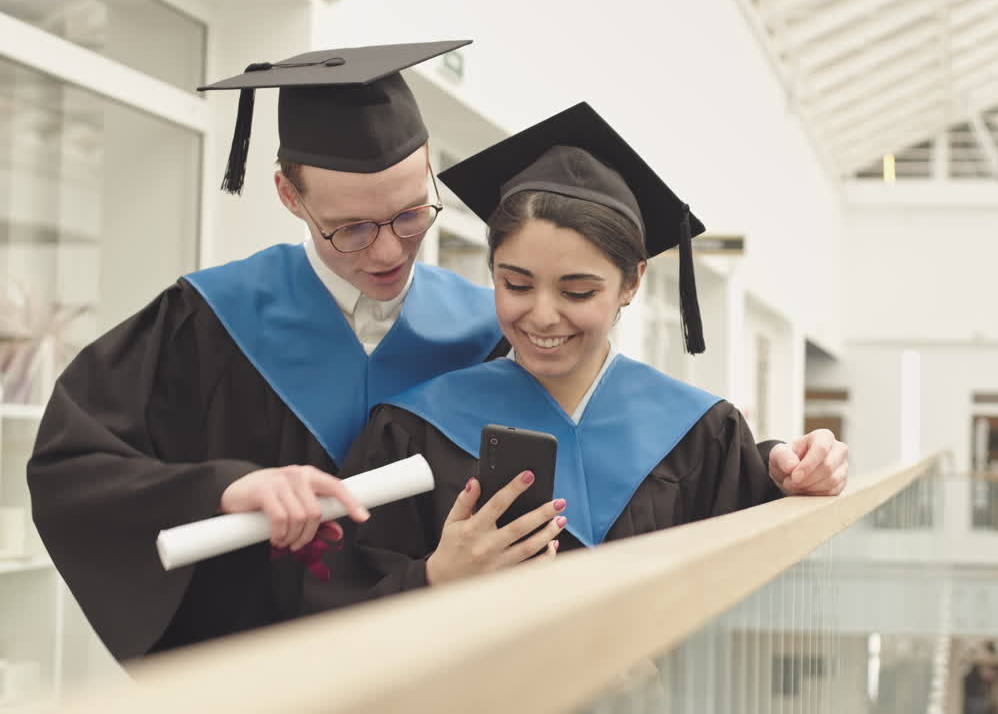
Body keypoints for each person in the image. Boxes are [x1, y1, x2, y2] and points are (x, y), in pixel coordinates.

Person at [25, 42, 508, 661]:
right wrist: (222, 489)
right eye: (351, 229)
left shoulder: (488, 335)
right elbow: (73, 469)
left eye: (412, 215)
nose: (388, 252)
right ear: (288, 194)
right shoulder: (207, 321)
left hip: (447, 668)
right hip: (263, 675)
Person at [305, 102, 848, 610]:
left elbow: (757, 581)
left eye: (577, 292)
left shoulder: (699, 434)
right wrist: (431, 578)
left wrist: (793, 476)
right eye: (516, 283)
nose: (542, 316)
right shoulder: (413, 430)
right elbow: (332, 596)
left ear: (633, 282)